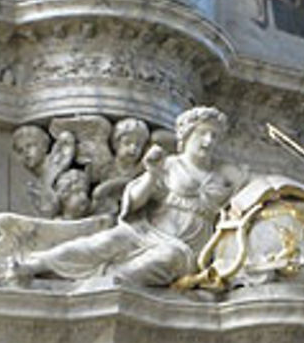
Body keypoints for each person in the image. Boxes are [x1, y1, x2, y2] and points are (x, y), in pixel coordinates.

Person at [13, 106, 242, 286]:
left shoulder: (222, 178)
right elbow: (136, 200)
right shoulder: (170, 165)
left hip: (185, 250)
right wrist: (152, 174)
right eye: (202, 133)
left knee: (165, 257)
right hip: (149, 231)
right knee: (102, 242)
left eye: (214, 135)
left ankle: (99, 283)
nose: (208, 141)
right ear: (187, 135)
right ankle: (36, 263)